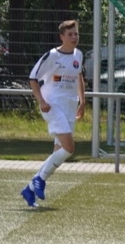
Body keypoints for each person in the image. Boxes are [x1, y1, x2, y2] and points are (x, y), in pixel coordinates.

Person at [21, 20, 86, 206]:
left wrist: (82, 101)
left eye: (76, 34)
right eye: (70, 34)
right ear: (62, 37)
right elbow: (33, 78)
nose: (74, 37)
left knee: (60, 153)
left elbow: (79, 77)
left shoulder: (79, 55)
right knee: (69, 148)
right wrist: (41, 101)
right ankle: (39, 179)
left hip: (69, 106)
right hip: (52, 105)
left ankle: (30, 189)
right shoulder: (52, 55)